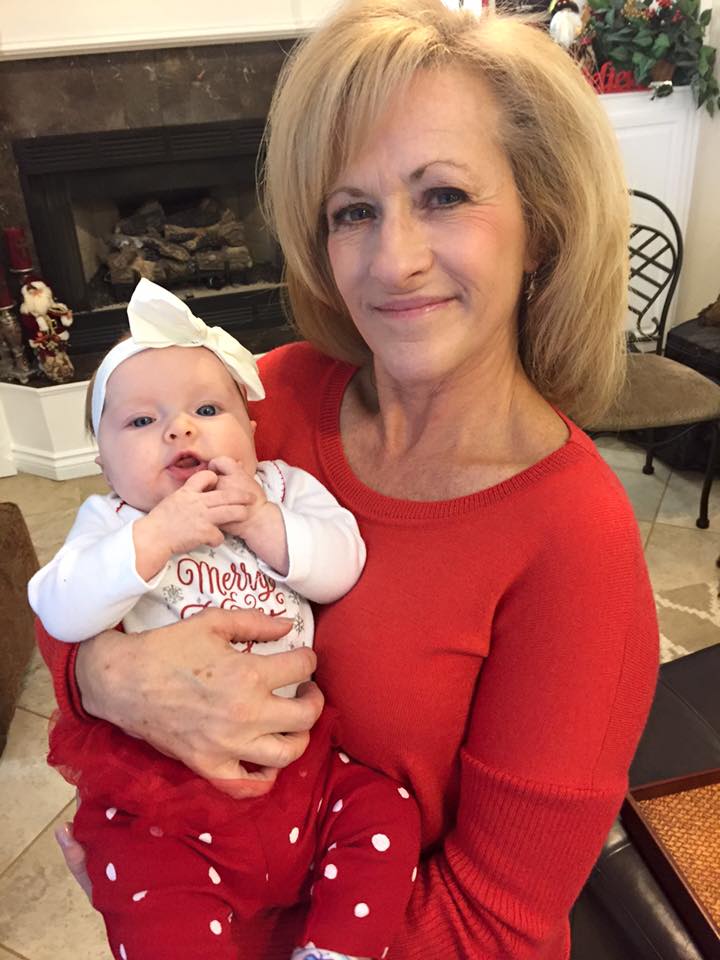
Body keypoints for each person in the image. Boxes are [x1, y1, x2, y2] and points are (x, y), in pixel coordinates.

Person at [38, 1, 660, 957]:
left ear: (542, 225)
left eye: (443, 195)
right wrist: (105, 679)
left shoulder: (578, 539)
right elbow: (85, 576)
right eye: (353, 211)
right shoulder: (263, 404)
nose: (393, 261)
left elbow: (493, 923)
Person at [29, 278, 420, 960]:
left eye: (208, 409)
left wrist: (263, 521)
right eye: (140, 422)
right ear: (103, 463)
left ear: (252, 434)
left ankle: (334, 951)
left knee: (385, 813)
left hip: (300, 769)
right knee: (154, 894)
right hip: (163, 787)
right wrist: (156, 535)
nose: (180, 429)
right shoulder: (113, 522)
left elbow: (343, 565)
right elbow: (59, 608)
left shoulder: (283, 489)